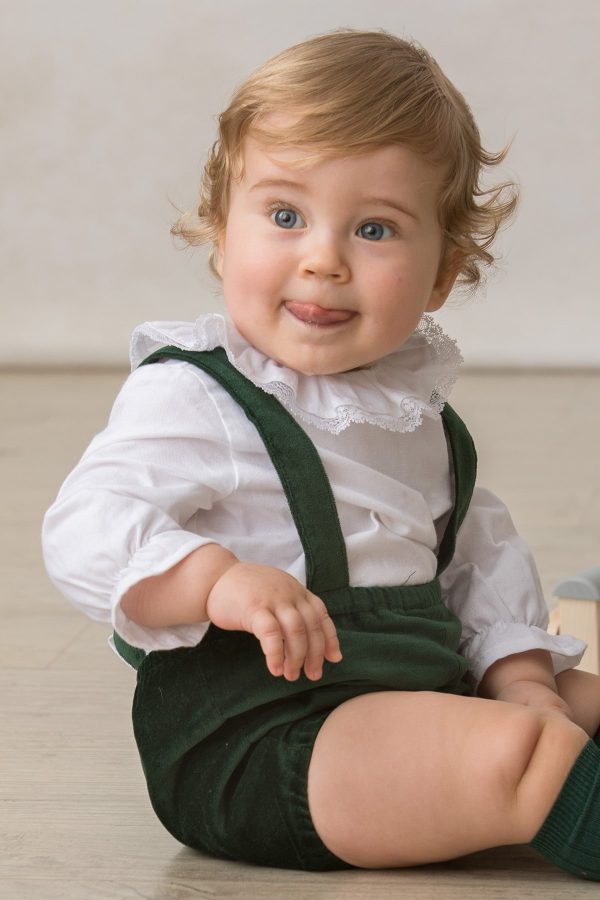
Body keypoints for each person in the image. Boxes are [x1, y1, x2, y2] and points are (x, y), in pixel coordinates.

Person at [42, 29, 600, 879]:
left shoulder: (421, 418)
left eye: (374, 228)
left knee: (555, 710)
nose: (322, 259)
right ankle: (537, 780)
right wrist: (215, 579)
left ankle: (523, 763)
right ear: (221, 232)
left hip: (410, 705)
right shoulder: (198, 396)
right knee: (521, 754)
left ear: (444, 272)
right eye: (285, 215)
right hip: (269, 745)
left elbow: (480, 568)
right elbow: (86, 527)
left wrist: (526, 679)